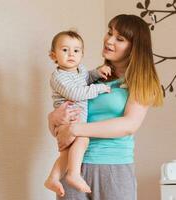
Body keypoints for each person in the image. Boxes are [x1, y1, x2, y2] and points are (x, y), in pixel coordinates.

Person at [48, 14, 163, 200]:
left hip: (113, 168)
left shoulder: (141, 81)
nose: (109, 40)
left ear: (134, 47)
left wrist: (75, 129)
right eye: (109, 32)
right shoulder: (92, 79)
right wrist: (52, 119)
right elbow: (64, 125)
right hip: (72, 166)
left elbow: (129, 125)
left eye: (120, 38)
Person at [44, 30, 111, 197]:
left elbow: (86, 78)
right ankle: (73, 174)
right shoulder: (58, 77)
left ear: (82, 54)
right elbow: (76, 93)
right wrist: (100, 88)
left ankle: (53, 178)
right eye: (65, 50)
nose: (71, 54)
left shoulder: (80, 70)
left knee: (67, 153)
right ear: (53, 56)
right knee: (83, 138)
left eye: (76, 50)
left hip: (76, 120)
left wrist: (97, 73)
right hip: (67, 119)